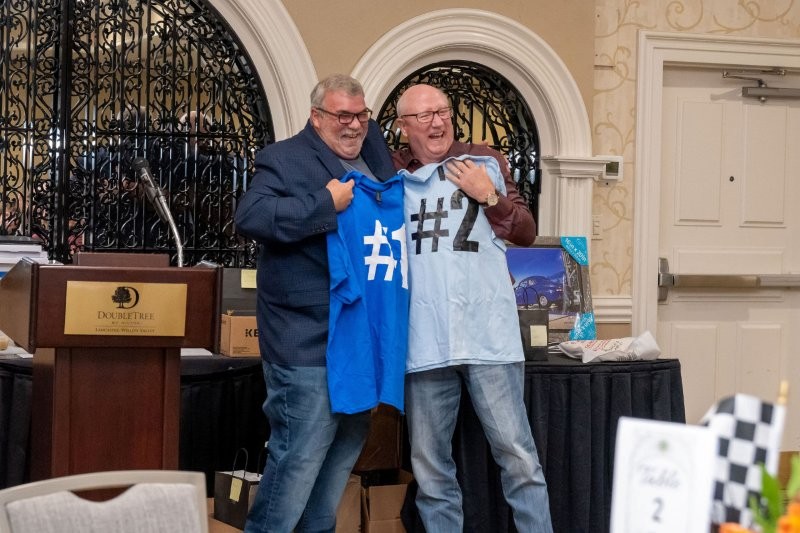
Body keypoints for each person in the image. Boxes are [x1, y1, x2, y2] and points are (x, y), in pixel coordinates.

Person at [233, 74, 396, 533]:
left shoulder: (373, 149)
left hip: (360, 338)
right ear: (316, 117)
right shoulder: (284, 158)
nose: (353, 125)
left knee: (343, 453)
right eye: (342, 116)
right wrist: (324, 202)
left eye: (361, 115)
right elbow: (250, 216)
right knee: (300, 457)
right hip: (307, 340)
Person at [392, 83, 554, 532]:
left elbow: (525, 233)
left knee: (519, 458)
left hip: (488, 338)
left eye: (443, 111)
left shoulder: (485, 161)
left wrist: (489, 195)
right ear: (404, 127)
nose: (438, 122)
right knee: (430, 469)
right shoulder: (391, 174)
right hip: (425, 340)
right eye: (425, 116)